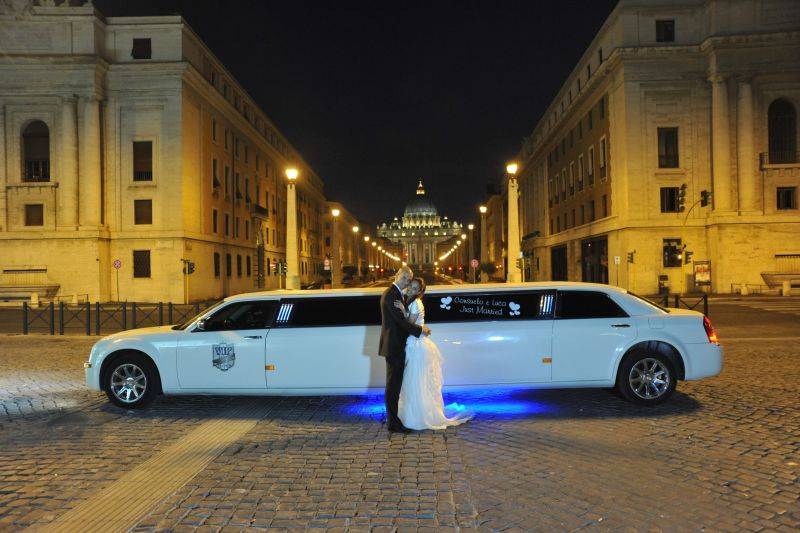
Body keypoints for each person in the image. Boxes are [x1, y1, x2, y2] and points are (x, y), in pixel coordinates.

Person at [395, 277, 473, 430]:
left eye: (415, 288)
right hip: (414, 343)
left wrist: (403, 311)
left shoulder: (416, 303)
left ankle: (418, 416)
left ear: (420, 292)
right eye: (410, 285)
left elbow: (409, 325)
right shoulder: (408, 299)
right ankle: (414, 414)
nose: (411, 288)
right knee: (414, 383)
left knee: (415, 383)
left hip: (417, 347)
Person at [378, 266, 431, 433]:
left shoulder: (399, 295)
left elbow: (403, 319)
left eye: (409, 280)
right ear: (397, 275)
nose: (406, 281)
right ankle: (393, 423)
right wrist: (420, 330)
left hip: (397, 346)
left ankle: (394, 420)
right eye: (404, 278)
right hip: (394, 346)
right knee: (393, 386)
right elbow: (401, 322)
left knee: (395, 385)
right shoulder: (391, 295)